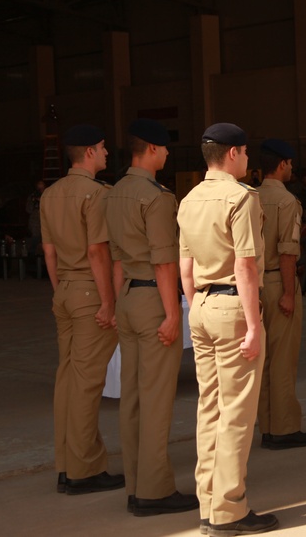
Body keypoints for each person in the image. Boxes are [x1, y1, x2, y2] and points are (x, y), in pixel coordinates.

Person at [177, 123, 278, 535]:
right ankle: (229, 509)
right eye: (246, 152)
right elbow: (246, 265)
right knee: (237, 413)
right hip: (232, 306)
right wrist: (253, 325)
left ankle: (209, 500)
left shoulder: (189, 199)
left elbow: (185, 263)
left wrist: (193, 306)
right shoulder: (240, 198)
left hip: (200, 304)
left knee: (210, 408)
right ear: (233, 153)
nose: (249, 159)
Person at [105, 119, 198, 517]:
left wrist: (112, 303)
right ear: (154, 150)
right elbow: (164, 262)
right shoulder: (157, 197)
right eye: (165, 149)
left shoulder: (115, 192)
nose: (167, 154)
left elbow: (114, 257)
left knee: (133, 398)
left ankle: (135, 484)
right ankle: (155, 490)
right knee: (157, 399)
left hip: (127, 297)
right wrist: (172, 312)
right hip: (151, 298)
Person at [40, 124, 123, 495]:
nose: (106, 153)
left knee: (68, 380)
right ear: (89, 152)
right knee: (88, 383)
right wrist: (108, 301)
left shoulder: (50, 194)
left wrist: (62, 292)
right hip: (92, 291)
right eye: (103, 147)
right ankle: (84, 470)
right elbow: (97, 252)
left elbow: (49, 252)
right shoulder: (97, 195)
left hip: (66, 291)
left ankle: (66, 464)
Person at [257, 138, 306, 451]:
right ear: (281, 165)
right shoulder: (287, 202)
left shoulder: (249, 198)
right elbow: (287, 252)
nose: (292, 168)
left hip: (254, 285)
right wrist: (289, 294)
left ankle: (266, 425)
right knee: (282, 359)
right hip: (278, 283)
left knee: (262, 360)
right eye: (290, 164)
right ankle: (283, 428)